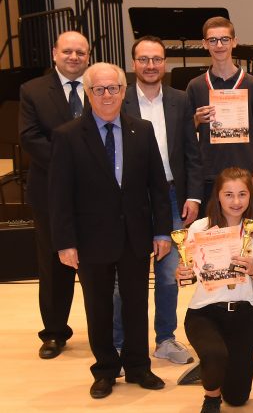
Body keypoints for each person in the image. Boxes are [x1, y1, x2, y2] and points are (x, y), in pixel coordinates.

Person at [49, 62, 172, 398]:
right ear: (87, 93)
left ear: (123, 91)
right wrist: (65, 242)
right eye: (98, 89)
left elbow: (158, 187)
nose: (106, 95)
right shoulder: (68, 136)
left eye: (113, 88)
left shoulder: (142, 130)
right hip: (90, 241)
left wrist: (162, 232)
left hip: (135, 236)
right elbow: (59, 196)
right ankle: (105, 369)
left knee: (136, 305)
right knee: (99, 307)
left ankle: (138, 367)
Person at [113, 35, 202, 366]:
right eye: (143, 59)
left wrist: (193, 195)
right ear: (133, 63)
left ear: (164, 63)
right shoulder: (118, 101)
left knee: (168, 275)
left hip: (172, 196)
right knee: (126, 275)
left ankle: (165, 338)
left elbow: (192, 155)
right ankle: (120, 342)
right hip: (130, 200)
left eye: (157, 59)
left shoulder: (180, 100)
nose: (150, 65)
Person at [19, 30, 89, 359]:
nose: (74, 57)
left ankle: (109, 331)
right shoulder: (32, 90)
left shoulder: (101, 86)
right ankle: (54, 333)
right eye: (68, 51)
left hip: (95, 193)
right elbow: (30, 138)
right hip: (50, 191)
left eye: (80, 52)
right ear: (54, 53)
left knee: (99, 265)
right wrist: (71, 165)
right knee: (53, 263)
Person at [176, 167, 253, 412]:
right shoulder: (199, 228)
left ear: (251, 196)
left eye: (242, 194)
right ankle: (211, 396)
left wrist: (250, 269)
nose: (236, 201)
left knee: (238, 398)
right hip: (204, 313)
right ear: (217, 195)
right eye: (228, 194)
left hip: (242, 315)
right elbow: (189, 272)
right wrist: (183, 274)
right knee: (216, 354)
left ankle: (210, 365)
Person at [186, 17, 253, 209]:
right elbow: (185, 135)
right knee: (212, 235)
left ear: (234, 41)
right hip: (209, 175)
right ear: (204, 44)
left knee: (247, 236)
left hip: (246, 176)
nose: (219, 45)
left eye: (225, 39)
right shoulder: (196, 86)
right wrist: (196, 120)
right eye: (213, 40)